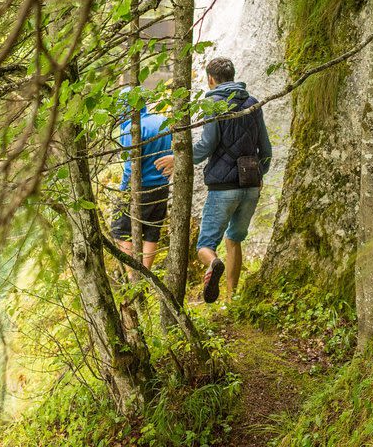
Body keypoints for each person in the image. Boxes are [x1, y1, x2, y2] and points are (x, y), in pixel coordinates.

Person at [155, 57, 272, 303]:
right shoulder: (253, 103)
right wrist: (259, 176)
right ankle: (231, 299)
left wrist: (178, 159)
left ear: (211, 79)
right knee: (235, 239)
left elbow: (206, 146)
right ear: (232, 76)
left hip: (222, 188)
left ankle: (213, 263)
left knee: (205, 246)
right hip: (250, 186)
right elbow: (266, 149)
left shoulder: (213, 104)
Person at [111, 90, 172, 272]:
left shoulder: (132, 128)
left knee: (119, 230)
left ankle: (134, 276)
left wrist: (124, 190)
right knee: (152, 233)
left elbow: (131, 165)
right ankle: (146, 275)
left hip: (140, 188)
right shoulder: (162, 121)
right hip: (162, 186)